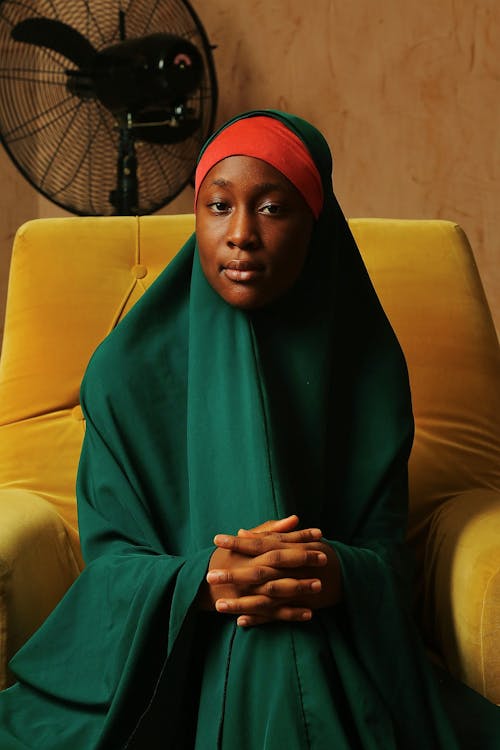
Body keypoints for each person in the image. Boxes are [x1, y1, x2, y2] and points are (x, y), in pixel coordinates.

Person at [0, 110, 497, 749]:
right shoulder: (125, 372)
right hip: (172, 657)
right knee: (262, 636)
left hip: (328, 640)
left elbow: (388, 562)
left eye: (271, 209)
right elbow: (111, 566)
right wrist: (203, 582)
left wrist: (331, 571)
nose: (240, 235)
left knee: (281, 633)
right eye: (218, 206)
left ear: (314, 225)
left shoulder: (366, 368)